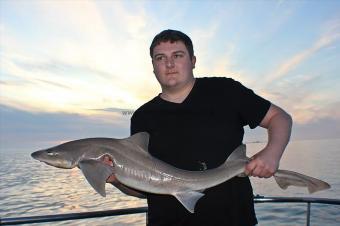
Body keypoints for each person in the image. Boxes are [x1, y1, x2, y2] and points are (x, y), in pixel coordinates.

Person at [105, 29, 292, 226]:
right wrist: (117, 179)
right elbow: (147, 189)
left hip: (233, 220)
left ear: (193, 61)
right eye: (160, 58)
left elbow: (279, 118)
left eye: (178, 55)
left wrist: (272, 153)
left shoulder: (225, 91)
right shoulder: (142, 117)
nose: (169, 64)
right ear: (153, 66)